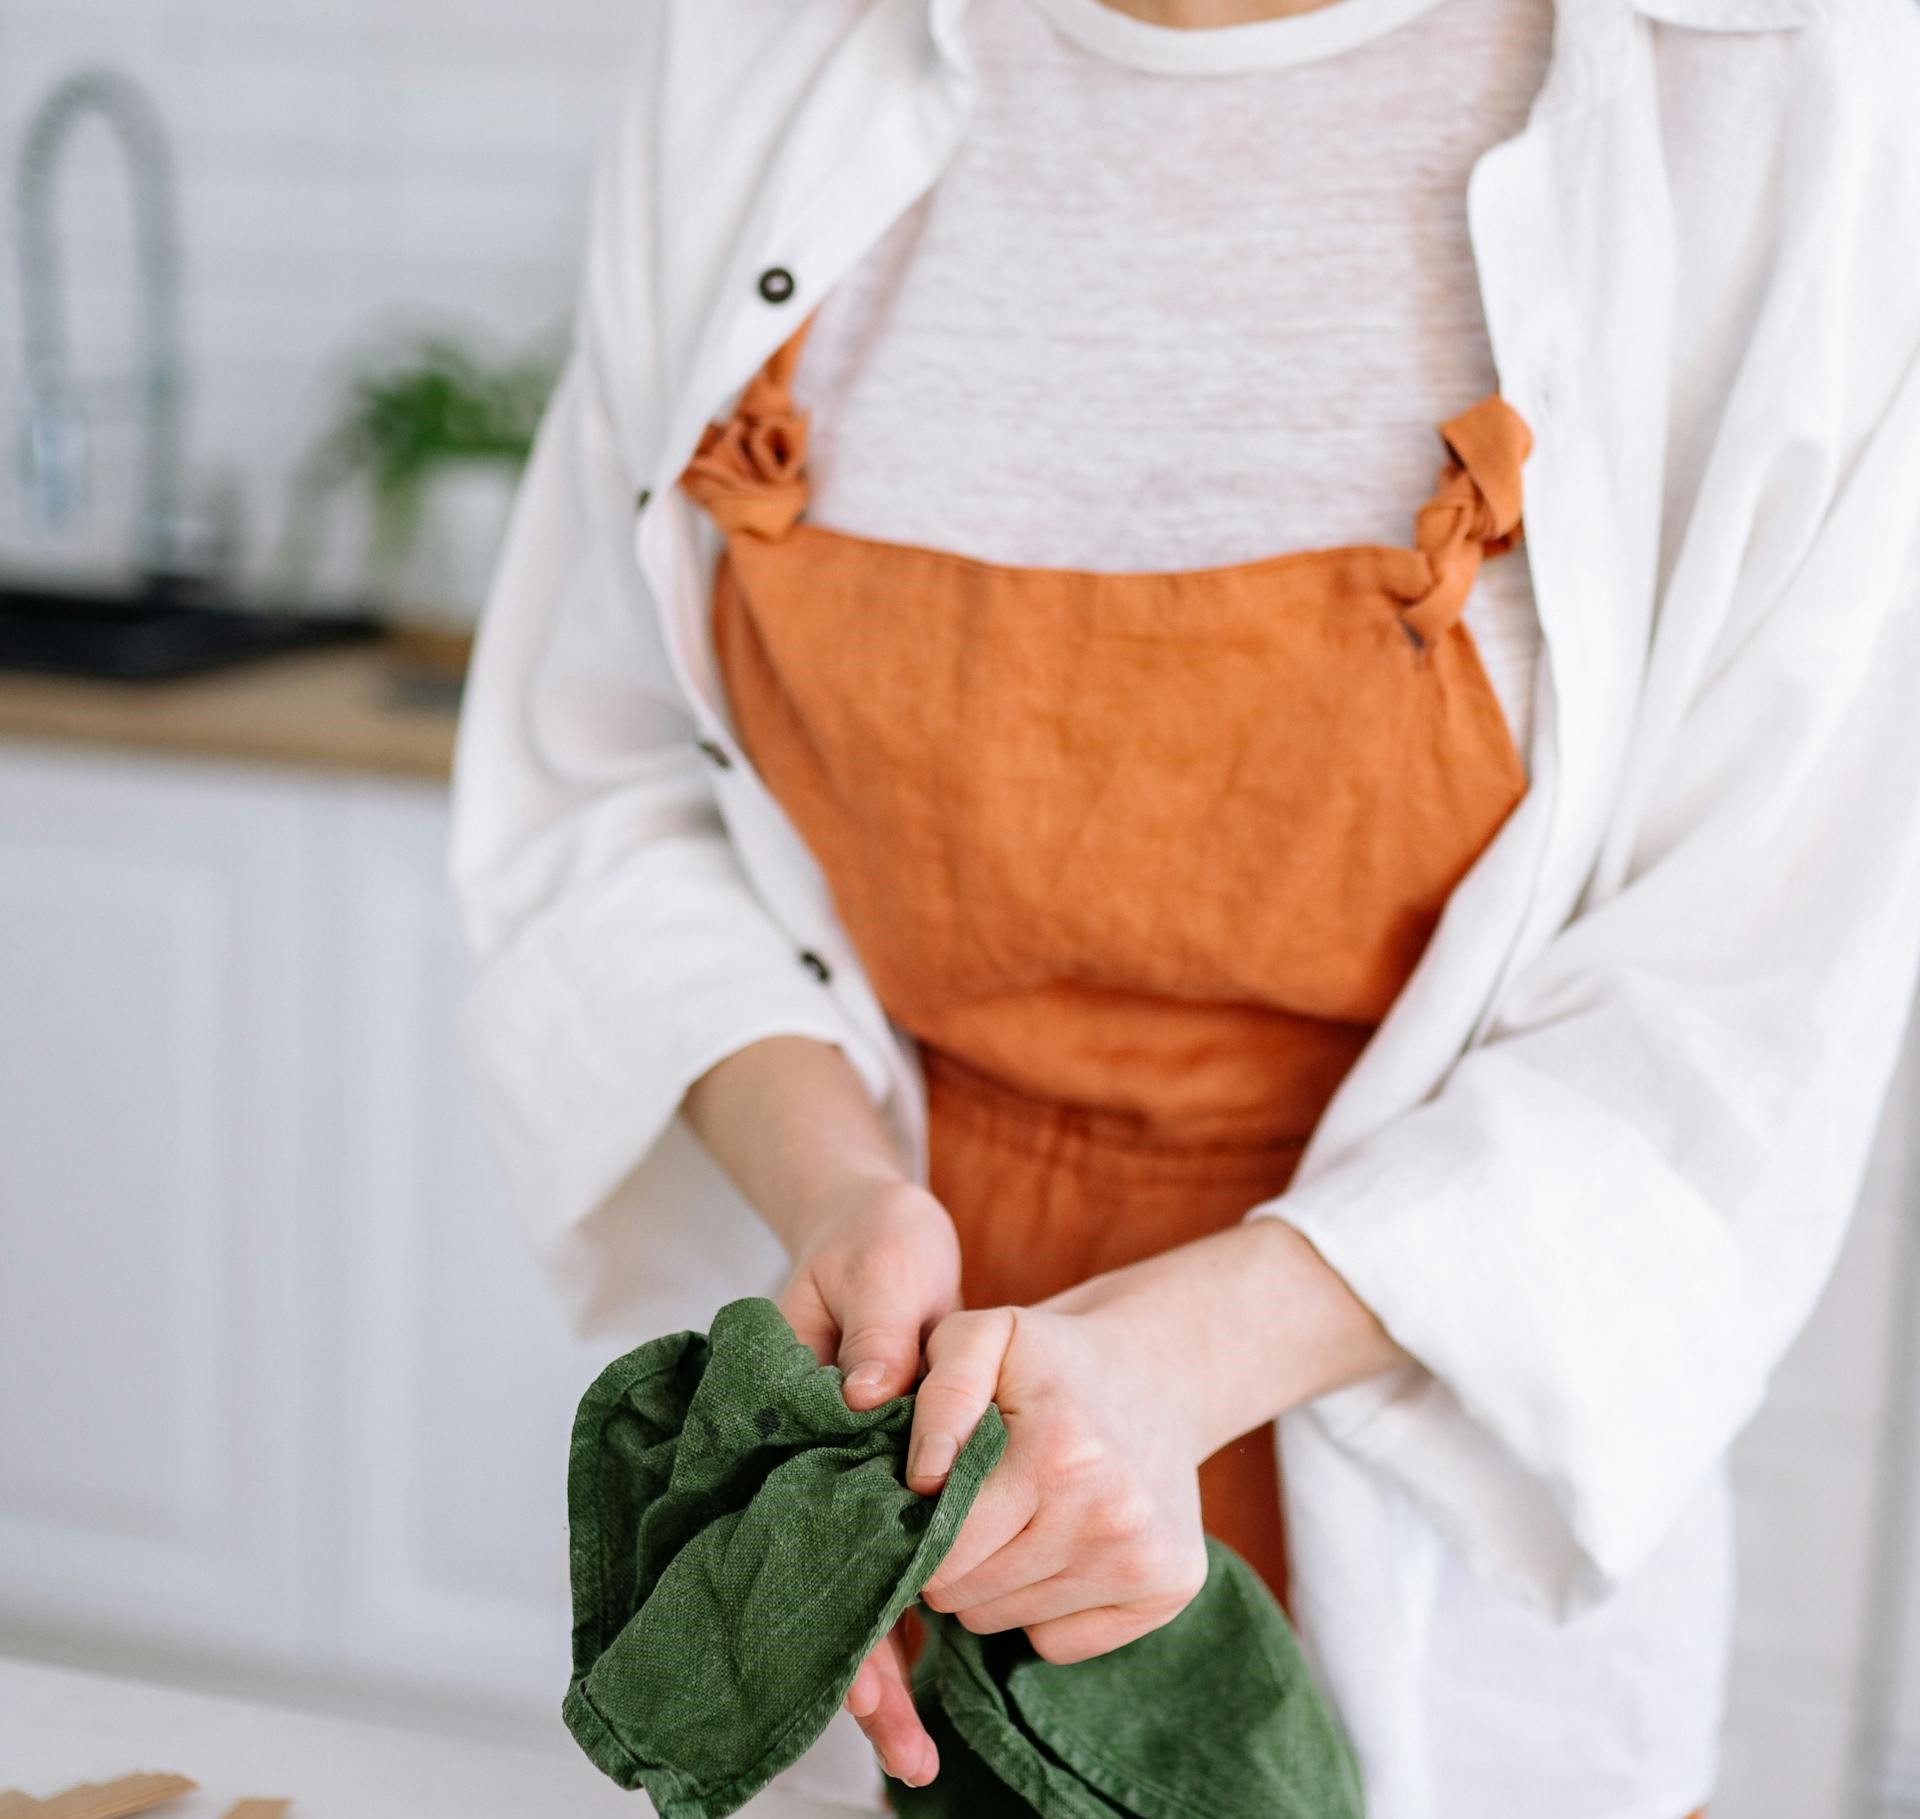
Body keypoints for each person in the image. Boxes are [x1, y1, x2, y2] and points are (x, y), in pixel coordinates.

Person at [446, 1, 1920, 1815]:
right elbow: (609, 779)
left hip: (1454, 1537)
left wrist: (1170, 1367)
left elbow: (1735, 1015)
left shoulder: (1781, 87)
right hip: (906, 1538)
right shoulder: (764, 48)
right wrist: (840, 1193)